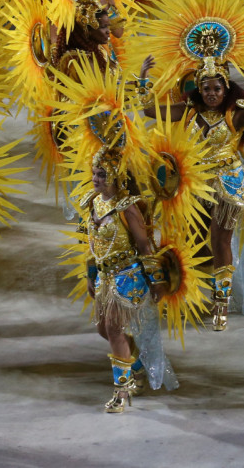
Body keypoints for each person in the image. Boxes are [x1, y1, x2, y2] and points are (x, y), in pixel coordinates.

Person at [136, 54, 244, 331]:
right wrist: (143, 79)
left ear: (226, 89)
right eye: (206, 88)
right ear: (199, 88)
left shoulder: (235, 115)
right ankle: (192, 296)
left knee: (220, 242)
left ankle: (221, 303)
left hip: (228, 185)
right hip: (195, 185)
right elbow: (149, 110)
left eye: (217, 88)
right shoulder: (189, 112)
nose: (211, 94)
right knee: (194, 243)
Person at [80, 146, 178, 413]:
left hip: (127, 276)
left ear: (115, 176)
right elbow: (92, 244)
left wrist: (157, 281)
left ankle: (122, 391)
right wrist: (90, 274)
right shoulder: (92, 202)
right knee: (105, 330)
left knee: (113, 330)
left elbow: (145, 247)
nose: (96, 179)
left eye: (102, 174)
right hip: (104, 277)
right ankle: (136, 364)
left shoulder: (128, 208)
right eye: (94, 173)